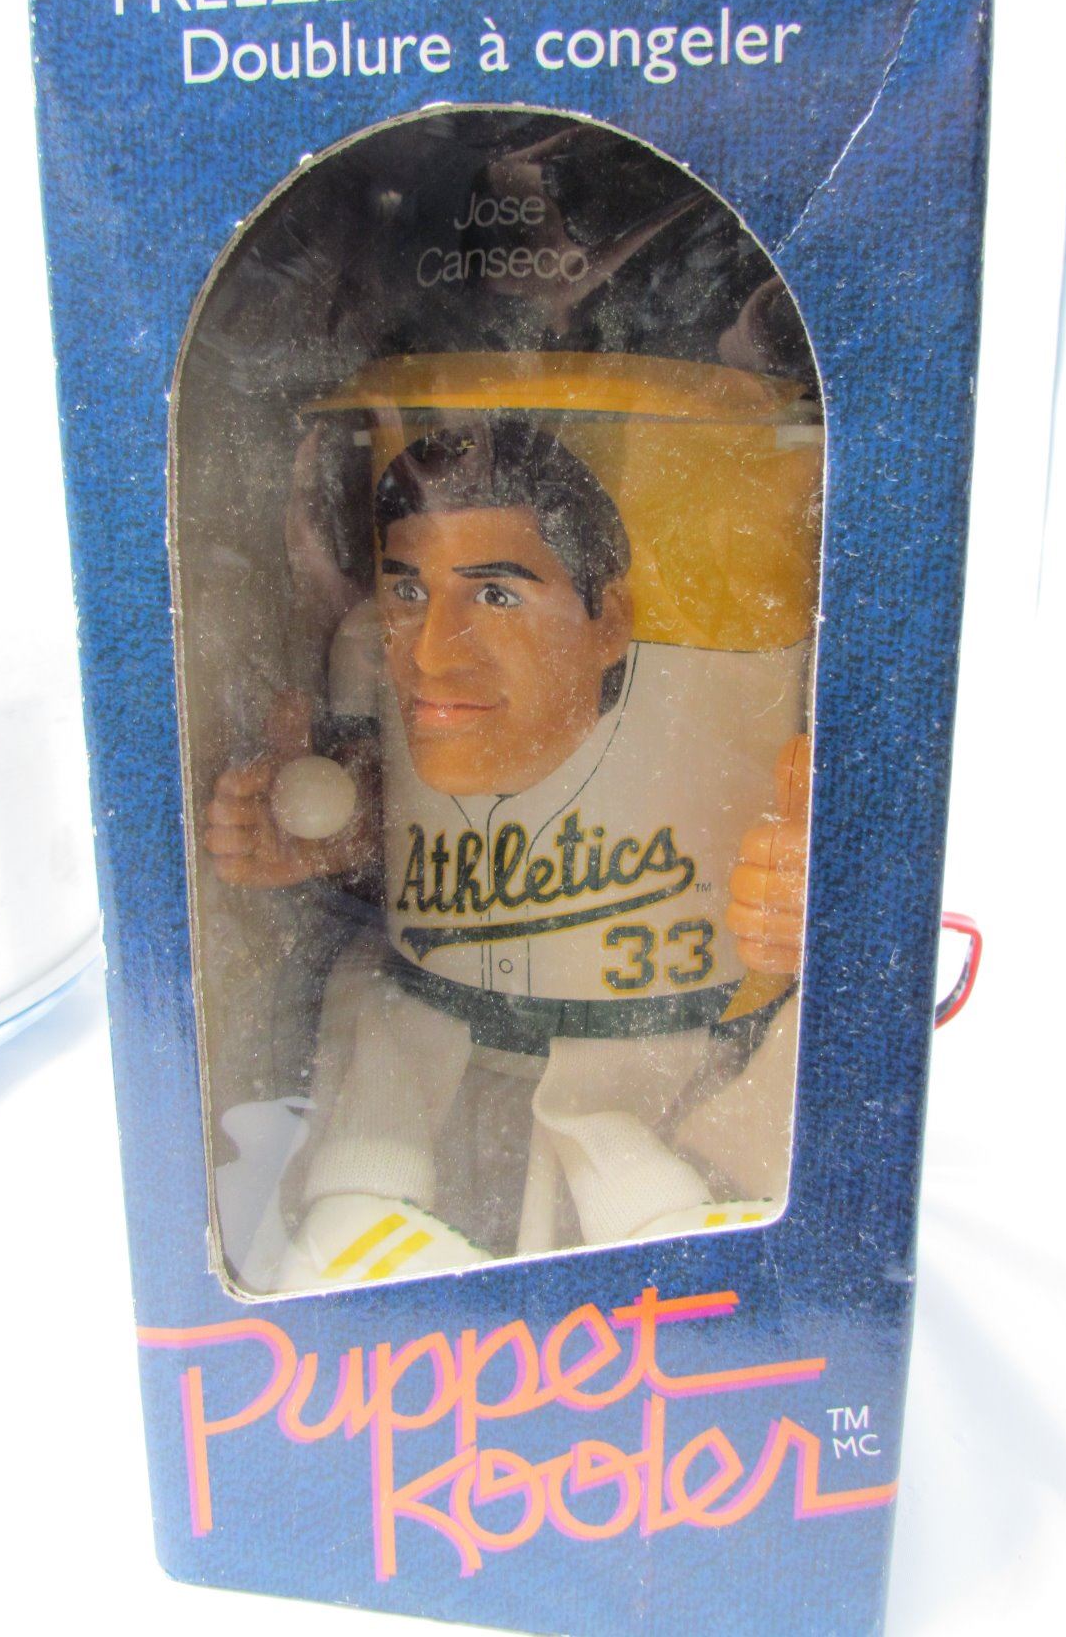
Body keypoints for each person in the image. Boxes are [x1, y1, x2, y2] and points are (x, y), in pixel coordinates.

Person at [206, 414, 810, 1286]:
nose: (431, 652)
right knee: (385, 994)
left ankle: (669, 1230)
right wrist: (339, 840)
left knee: (627, 1081)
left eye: (495, 595)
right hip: (433, 1049)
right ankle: (358, 1216)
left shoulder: (699, 724)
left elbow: (800, 858)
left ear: (610, 621)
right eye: (407, 592)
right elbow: (375, 798)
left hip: (652, 1065)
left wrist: (810, 903)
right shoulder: (372, 667)